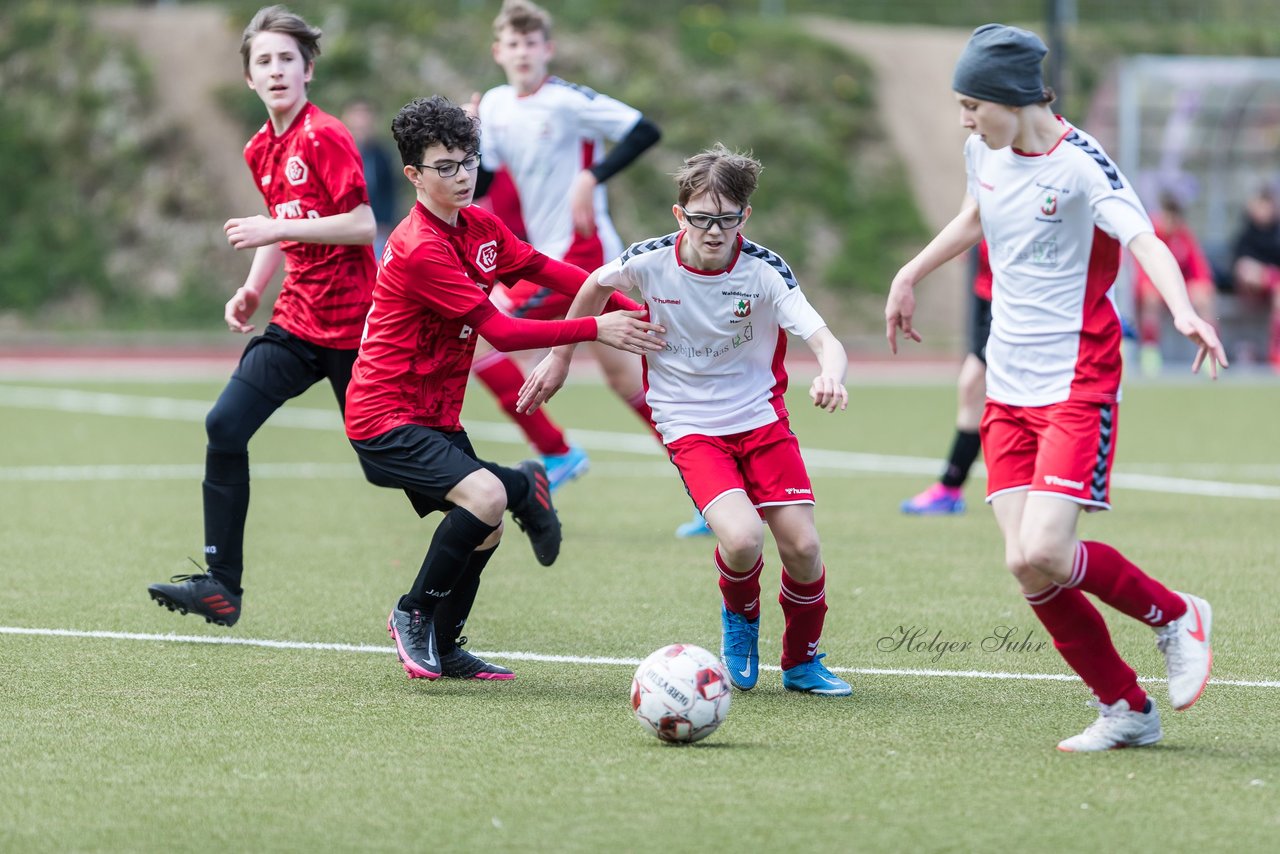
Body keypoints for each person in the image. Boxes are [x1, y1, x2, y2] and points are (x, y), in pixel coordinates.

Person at [884, 24, 1227, 751]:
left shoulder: (1083, 168)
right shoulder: (986, 150)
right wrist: (911, 271)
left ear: (1013, 98)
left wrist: (1183, 310)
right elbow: (977, 215)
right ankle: (1127, 708)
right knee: (1023, 563)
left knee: (1044, 547)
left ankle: (1175, 615)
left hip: (1078, 381)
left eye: (973, 104)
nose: (964, 120)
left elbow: (1143, 241)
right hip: (1007, 385)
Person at [344, 95, 664, 681]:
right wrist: (598, 326)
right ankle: (412, 612)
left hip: (434, 412)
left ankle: (446, 643)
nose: (463, 175)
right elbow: (502, 330)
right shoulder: (419, 248)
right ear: (413, 175)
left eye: (469, 161)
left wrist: (627, 303)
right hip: (384, 415)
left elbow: (555, 272)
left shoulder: (481, 226)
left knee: (486, 527)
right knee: (487, 499)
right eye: (446, 166)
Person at [518, 144, 854, 696]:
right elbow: (593, 284)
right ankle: (741, 625)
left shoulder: (764, 271)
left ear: (744, 217)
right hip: (689, 425)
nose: (714, 231)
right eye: (702, 219)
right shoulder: (648, 261)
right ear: (681, 215)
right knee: (743, 539)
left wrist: (830, 374)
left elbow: (824, 339)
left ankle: (801, 663)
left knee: (803, 547)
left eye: (726, 219)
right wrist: (561, 354)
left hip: (761, 420)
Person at [147, 5, 377, 627]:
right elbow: (285, 228)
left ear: (307, 70)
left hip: (358, 327)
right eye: (263, 61)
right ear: (249, 78)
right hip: (298, 321)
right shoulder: (260, 148)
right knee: (225, 424)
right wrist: (252, 289)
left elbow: (361, 225)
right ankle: (223, 586)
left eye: (286, 59)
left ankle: (518, 489)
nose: (275, 70)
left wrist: (274, 224)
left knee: (387, 468)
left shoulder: (324, 135)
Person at [469, 1, 674, 512]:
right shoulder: (493, 105)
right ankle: (708, 482)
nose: (522, 53)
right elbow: (486, 183)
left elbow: (645, 130)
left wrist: (591, 177)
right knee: (624, 377)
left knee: (478, 336)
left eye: (531, 43)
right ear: (498, 52)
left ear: (548, 49)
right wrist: (470, 133)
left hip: (581, 254)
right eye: (512, 45)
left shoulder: (566, 101)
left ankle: (556, 453)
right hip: (550, 253)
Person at [900, 240, 992, 515]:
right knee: (972, 386)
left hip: (1012, 291)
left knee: (974, 384)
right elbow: (975, 203)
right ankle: (950, 488)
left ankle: (951, 487)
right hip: (988, 286)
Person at [1132, 190, 1216, 375]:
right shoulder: (1150, 232)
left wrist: (1202, 285)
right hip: (1156, 287)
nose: (1171, 221)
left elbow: (1199, 269)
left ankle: (1211, 349)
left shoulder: (1184, 235)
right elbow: (1141, 267)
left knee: (1203, 295)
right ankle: (1150, 350)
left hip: (1178, 288)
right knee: (1150, 296)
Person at [341, 97, 400, 258]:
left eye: (365, 115)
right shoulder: (338, 153)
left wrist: (386, 222)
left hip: (376, 228)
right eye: (357, 115)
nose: (361, 121)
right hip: (343, 229)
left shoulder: (381, 154)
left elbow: (390, 191)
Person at [1229, 184, 1280, 369]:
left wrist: (1267, 274)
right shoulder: (1246, 234)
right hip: (1251, 289)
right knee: (1247, 270)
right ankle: (1246, 346)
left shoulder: (1276, 233)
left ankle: (1276, 350)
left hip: (1274, 287)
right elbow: (1237, 266)